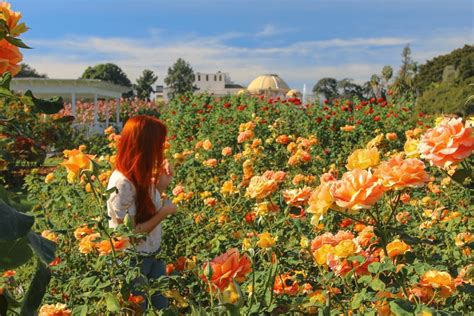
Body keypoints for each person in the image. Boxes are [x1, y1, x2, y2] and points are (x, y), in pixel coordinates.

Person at [106, 115, 177, 310]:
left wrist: (162, 183)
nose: (161, 149)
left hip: (152, 253)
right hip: (133, 261)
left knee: (163, 309)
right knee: (138, 309)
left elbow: (145, 209)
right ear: (144, 146)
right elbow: (133, 233)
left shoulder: (139, 172)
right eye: (158, 144)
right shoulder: (122, 183)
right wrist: (164, 212)